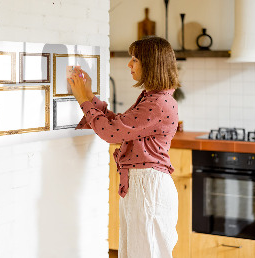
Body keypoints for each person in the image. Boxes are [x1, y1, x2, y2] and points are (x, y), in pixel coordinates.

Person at [68, 36, 180, 258]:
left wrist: (83, 99)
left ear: (151, 64)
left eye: (135, 59)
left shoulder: (157, 103)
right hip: (143, 185)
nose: (129, 64)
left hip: (148, 187)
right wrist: (90, 96)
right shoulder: (153, 98)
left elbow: (111, 133)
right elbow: (119, 125)